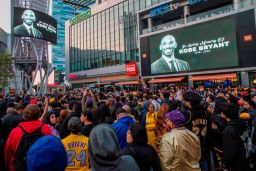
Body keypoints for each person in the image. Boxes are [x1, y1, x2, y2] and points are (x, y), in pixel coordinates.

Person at [4, 104, 52, 171]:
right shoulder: (46, 129)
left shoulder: (15, 131)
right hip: (40, 166)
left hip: (19, 166)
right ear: (38, 114)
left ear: (24, 115)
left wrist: (7, 165)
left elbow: (8, 152)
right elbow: (51, 149)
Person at [220, 102, 248, 170]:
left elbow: (229, 152)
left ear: (224, 114)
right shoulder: (242, 123)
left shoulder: (229, 130)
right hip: (244, 158)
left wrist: (225, 165)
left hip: (236, 164)